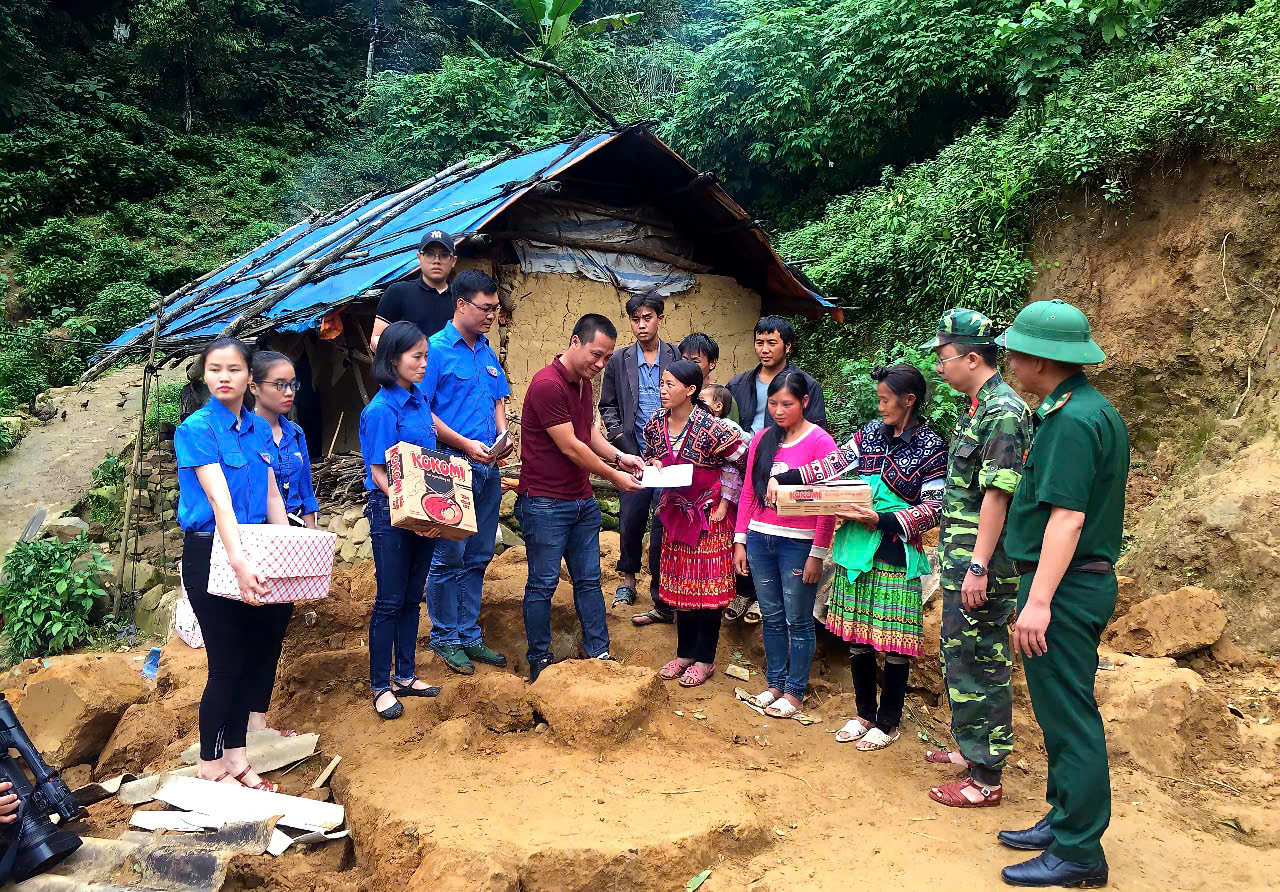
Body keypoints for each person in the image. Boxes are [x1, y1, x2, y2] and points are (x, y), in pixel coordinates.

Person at [994, 300, 1128, 889]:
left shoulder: (1072, 421)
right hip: (1072, 582)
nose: (1011, 361)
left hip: (1066, 587)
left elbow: (1067, 518)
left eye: (1017, 352)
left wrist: (1039, 600)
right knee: (1060, 710)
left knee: (1070, 717)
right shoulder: (1083, 410)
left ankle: (1079, 852)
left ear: (1042, 360)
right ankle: (1064, 818)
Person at [767, 364, 947, 751]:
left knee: (895, 642)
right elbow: (829, 466)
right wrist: (782, 478)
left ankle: (889, 720)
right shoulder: (869, 435)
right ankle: (865, 712)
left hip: (895, 551)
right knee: (858, 637)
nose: (880, 407)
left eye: (885, 400)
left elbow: (935, 507)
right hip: (854, 550)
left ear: (909, 400)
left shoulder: (932, 446)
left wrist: (882, 519)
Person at [919, 310, 1032, 806]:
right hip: (962, 559)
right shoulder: (977, 409)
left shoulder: (1004, 412)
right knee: (960, 657)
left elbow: (998, 496)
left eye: (943, 357)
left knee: (981, 662)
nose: (938, 366)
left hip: (982, 566)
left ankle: (986, 780)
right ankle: (970, 750)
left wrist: (979, 565)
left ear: (971, 358)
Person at [175, 337, 289, 791]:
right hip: (211, 553)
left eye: (234, 369)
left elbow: (272, 494)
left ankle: (238, 757)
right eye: (215, 369)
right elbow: (220, 501)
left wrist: (286, 547)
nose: (224, 377)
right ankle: (210, 764)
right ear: (205, 376)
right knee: (225, 663)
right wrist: (239, 563)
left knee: (250, 658)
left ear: (249, 378)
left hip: (254, 547)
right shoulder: (197, 428)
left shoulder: (259, 429)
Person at [518, 314, 646, 682]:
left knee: (589, 581)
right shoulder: (547, 384)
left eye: (607, 357)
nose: (601, 363)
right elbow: (571, 446)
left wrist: (620, 457)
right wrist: (614, 476)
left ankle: (599, 653)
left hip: (580, 501)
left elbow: (588, 434)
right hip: (545, 502)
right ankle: (539, 661)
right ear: (575, 342)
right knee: (542, 584)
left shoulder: (583, 383)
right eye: (596, 354)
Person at [423, 270, 512, 675]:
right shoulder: (435, 351)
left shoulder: (486, 351)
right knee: (449, 557)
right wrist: (463, 443)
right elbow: (423, 413)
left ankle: (468, 633)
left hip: (487, 468)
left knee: (478, 555)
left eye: (495, 309)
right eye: (486, 308)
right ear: (461, 305)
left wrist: (503, 435)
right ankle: (444, 636)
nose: (492, 315)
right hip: (449, 467)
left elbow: (498, 400)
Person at [734, 372, 838, 719]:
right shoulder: (762, 439)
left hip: (798, 543)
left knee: (798, 618)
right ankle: (775, 684)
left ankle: (795, 692)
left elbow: (827, 502)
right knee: (772, 616)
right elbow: (748, 492)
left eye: (787, 404)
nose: (778, 411)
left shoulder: (821, 443)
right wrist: (740, 539)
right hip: (760, 537)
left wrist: (817, 553)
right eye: (773, 404)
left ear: (805, 402)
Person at [641, 360, 749, 687]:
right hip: (676, 515)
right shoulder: (655, 424)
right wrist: (653, 463)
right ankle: (685, 654)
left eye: (669, 384)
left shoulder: (714, 429)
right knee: (681, 588)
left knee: (707, 591)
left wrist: (726, 500)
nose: (662, 390)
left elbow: (743, 462)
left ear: (690, 390)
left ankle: (705, 659)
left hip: (710, 518)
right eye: (661, 383)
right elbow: (650, 456)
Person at [359, 321, 444, 720]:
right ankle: (380, 685)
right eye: (417, 357)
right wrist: (409, 510)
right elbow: (378, 471)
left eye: (426, 356)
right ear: (393, 359)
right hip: (391, 512)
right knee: (390, 600)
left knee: (412, 597)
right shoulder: (381, 410)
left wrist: (429, 512)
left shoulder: (420, 399)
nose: (424, 364)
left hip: (422, 511)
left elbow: (428, 461)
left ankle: (406, 675)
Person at [247, 350, 320, 739]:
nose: (289, 392)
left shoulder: (296, 434)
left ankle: (258, 719)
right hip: (254, 539)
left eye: (293, 384)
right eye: (280, 384)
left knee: (274, 631)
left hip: (289, 542)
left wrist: (311, 536)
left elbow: (306, 491)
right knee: (247, 630)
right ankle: (235, 718)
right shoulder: (244, 434)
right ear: (254, 387)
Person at [598, 291, 679, 622]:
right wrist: (622, 443)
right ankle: (628, 580)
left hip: (669, 456)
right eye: (635, 319)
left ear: (660, 319)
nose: (641, 325)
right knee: (630, 519)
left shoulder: (676, 356)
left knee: (664, 522)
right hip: (633, 452)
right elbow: (607, 405)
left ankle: (662, 591)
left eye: (648, 318)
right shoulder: (620, 360)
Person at [727, 316, 827, 435]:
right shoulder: (737, 385)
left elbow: (816, 432)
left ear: (787, 346)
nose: (764, 350)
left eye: (772, 343)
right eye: (759, 343)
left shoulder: (807, 386)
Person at [370, 231, 457, 350]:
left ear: (453, 261)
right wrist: (405, 354)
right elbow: (376, 339)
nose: (437, 260)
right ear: (419, 257)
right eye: (429, 254)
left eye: (444, 255)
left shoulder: (461, 299)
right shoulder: (398, 292)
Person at [680, 333, 739, 423]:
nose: (687, 366)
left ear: (712, 363)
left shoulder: (721, 397)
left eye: (695, 361)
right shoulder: (675, 392)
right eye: (684, 360)